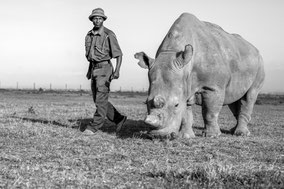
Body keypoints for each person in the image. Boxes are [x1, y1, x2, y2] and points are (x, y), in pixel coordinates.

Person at [80, 8, 127, 134]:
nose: (97, 20)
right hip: (94, 68)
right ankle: (119, 119)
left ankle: (93, 127)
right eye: (95, 18)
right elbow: (91, 56)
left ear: (103, 20)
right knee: (98, 99)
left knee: (100, 98)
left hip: (105, 69)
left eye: (100, 18)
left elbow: (119, 54)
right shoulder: (89, 34)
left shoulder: (108, 34)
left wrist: (117, 71)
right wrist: (90, 70)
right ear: (92, 20)